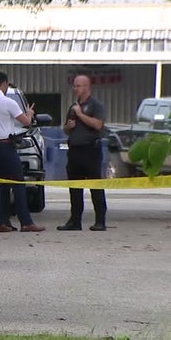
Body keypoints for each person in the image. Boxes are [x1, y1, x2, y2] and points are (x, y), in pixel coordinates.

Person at [0, 72, 45, 233]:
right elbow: (26, 122)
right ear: (4, 84)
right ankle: (26, 222)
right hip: (5, 146)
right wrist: (29, 113)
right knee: (18, 183)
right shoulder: (8, 102)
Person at [57, 74, 108, 231]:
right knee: (74, 187)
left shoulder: (95, 105)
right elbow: (65, 129)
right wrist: (68, 126)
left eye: (78, 86)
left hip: (90, 150)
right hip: (74, 151)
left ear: (87, 87)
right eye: (74, 86)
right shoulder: (73, 106)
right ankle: (75, 220)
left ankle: (100, 220)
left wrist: (80, 115)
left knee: (95, 186)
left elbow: (98, 125)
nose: (75, 89)